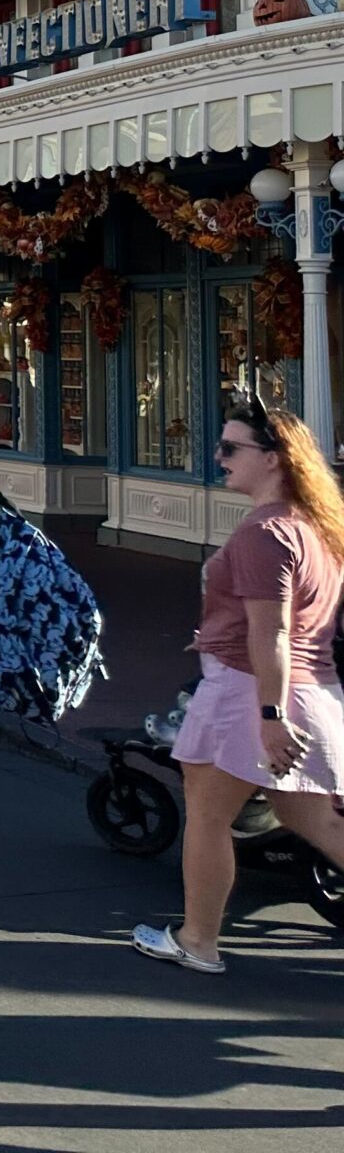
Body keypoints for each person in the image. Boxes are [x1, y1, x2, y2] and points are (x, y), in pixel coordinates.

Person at [132, 395, 344, 974]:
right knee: (314, 820)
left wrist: (270, 717)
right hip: (311, 689)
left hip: (250, 695)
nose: (219, 457)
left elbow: (271, 632)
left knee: (206, 816)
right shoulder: (316, 526)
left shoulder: (265, 533)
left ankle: (197, 941)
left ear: (275, 458)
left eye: (231, 448)